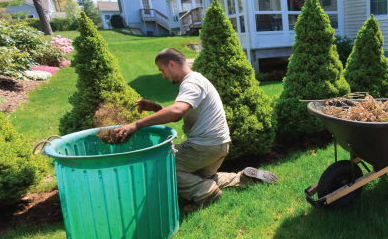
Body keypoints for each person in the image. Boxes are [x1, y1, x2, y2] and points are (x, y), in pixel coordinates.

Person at [114, 48, 278, 212]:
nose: (163, 76)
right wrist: (157, 108)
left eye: (162, 70)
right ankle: (241, 179)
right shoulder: (196, 80)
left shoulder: (192, 82)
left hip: (204, 146)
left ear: (172, 64)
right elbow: (180, 113)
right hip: (217, 146)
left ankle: (204, 193)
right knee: (199, 177)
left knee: (161, 165)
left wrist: (136, 124)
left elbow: (177, 111)